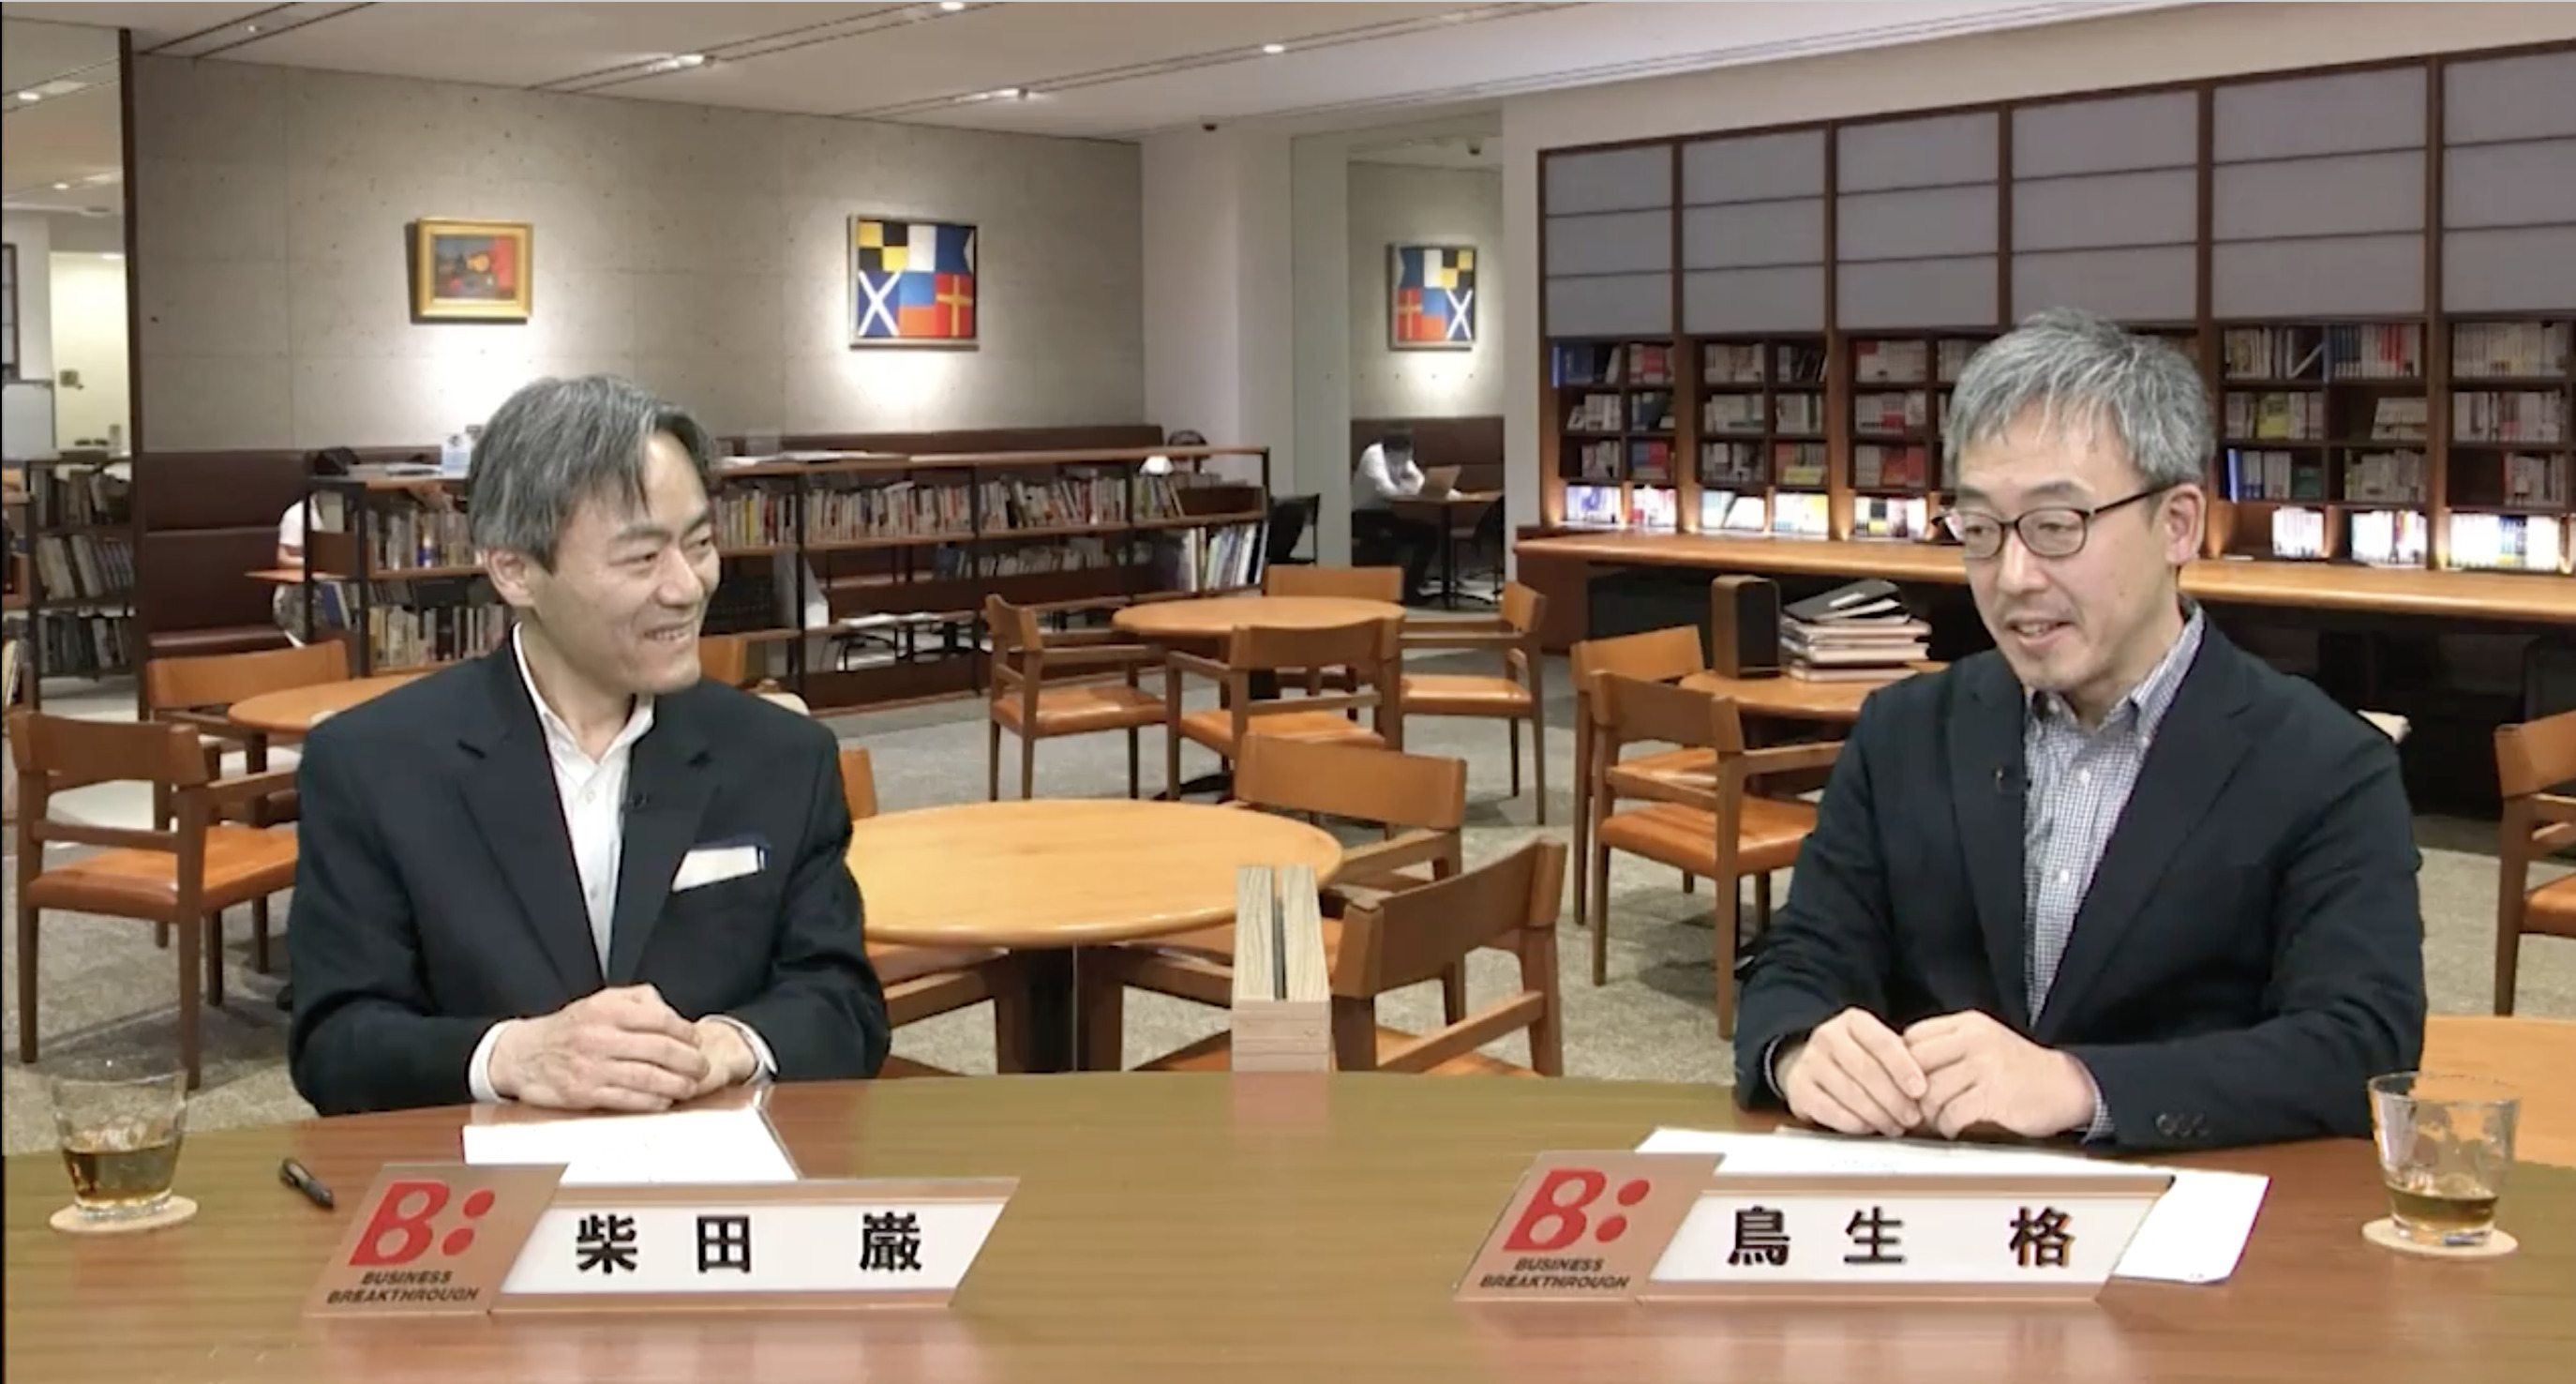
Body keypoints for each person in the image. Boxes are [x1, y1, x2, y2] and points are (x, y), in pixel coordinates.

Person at [1734, 308, 2424, 1152]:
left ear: (2177, 523)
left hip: (2192, 1198)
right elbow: (1800, 959)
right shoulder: (1903, 731)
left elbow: (2360, 1045)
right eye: (1980, 531)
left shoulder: (2326, 763)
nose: (2013, 576)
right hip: (1930, 1198)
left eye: (2057, 527)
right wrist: (1800, 1048)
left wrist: (2080, 1085)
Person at [286, 375, 891, 1116]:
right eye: (642, 558)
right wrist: (511, 1056)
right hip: (482, 1173)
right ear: (514, 570)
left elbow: (844, 1005)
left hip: (716, 1166)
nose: (688, 586)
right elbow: (335, 1044)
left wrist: (729, 1044)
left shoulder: (785, 757)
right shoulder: (372, 765)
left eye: (699, 543)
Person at [272, 447, 354, 645]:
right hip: (301, 596)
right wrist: (320, 563)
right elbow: (283, 559)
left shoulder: (355, 512)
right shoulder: (298, 515)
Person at [1350, 429, 1435, 601]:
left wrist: (1440, 490)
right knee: (1387, 539)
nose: (1408, 459)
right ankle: (1382, 592)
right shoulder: (1373, 457)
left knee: (1430, 533)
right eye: (1406, 454)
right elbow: (1385, 489)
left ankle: (1409, 588)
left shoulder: (1403, 457)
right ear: (1392, 451)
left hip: (1385, 514)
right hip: (1361, 516)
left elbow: (1419, 482)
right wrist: (1408, 489)